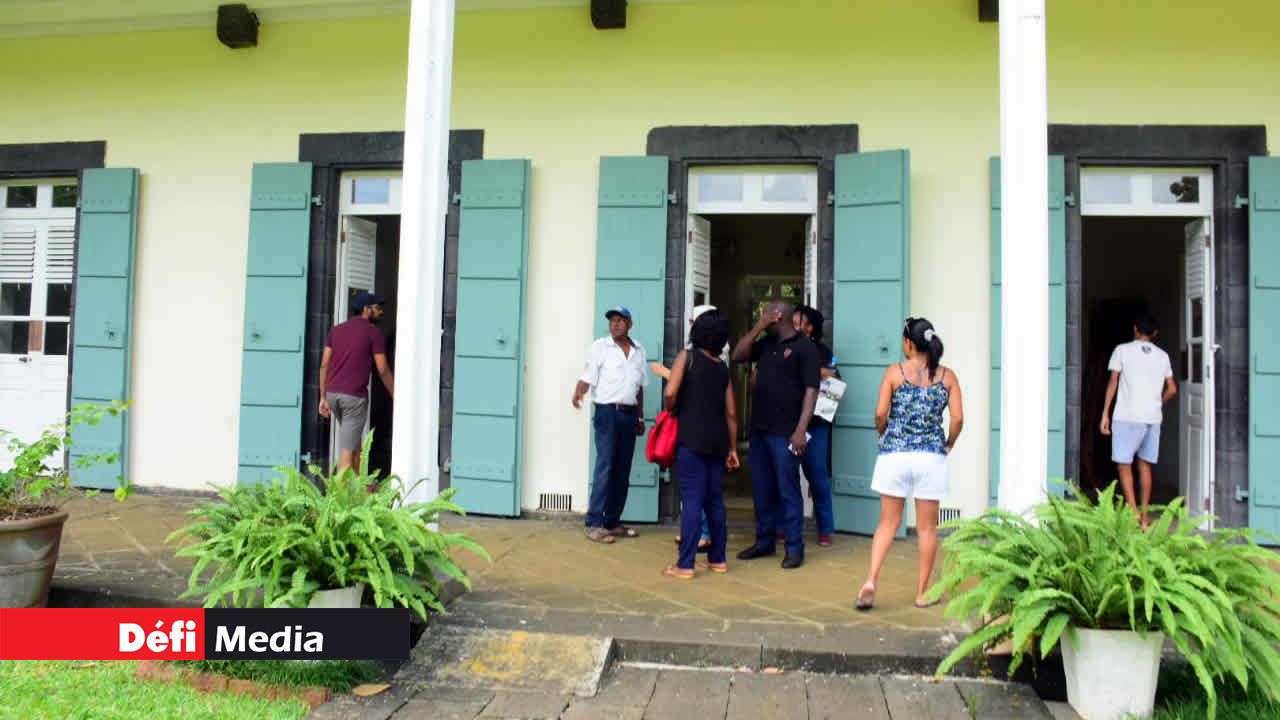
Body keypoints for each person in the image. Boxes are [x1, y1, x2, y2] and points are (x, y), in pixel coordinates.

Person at [855, 317, 963, 611]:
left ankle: (871, 581)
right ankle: (922, 592)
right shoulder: (947, 377)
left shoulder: (894, 373)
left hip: (894, 455)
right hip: (931, 457)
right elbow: (957, 419)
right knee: (927, 529)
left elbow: (880, 414)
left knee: (887, 523)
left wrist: (885, 434)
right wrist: (949, 442)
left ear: (909, 343)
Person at [733, 301, 820, 570]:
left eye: (765, 314)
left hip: (786, 433)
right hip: (759, 430)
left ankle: (794, 548)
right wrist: (758, 327)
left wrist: (800, 431)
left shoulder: (805, 347)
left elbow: (811, 391)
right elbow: (737, 355)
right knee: (761, 489)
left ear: (778, 315)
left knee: (788, 490)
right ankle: (764, 542)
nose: (762, 316)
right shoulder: (766, 344)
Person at [660, 310, 740, 579]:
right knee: (714, 501)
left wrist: (672, 407)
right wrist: (732, 448)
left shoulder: (687, 358)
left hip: (691, 438)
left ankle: (685, 564)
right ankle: (718, 559)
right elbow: (731, 413)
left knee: (692, 501)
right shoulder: (722, 368)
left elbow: (670, 392)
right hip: (717, 441)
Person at [573, 306, 648, 544]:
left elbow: (639, 387)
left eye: (620, 320)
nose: (615, 324)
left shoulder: (639, 350)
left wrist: (639, 417)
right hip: (607, 413)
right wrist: (579, 393)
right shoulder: (600, 347)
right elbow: (588, 376)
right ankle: (594, 523)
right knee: (605, 467)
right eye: (612, 321)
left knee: (622, 470)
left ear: (629, 324)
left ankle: (612, 522)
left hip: (628, 415)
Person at [651, 304, 721, 552]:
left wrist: (666, 375)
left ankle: (696, 541)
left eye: (694, 321)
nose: (691, 325)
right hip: (713, 433)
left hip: (692, 431)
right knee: (708, 494)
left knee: (693, 492)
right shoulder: (717, 359)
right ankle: (713, 550)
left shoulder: (691, 355)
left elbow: (681, 389)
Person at [1100, 313, 1176, 529]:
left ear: (1135, 329)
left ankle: (1133, 514)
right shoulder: (1163, 356)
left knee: (1124, 464)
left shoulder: (1122, 350)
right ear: (1155, 333)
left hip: (1127, 416)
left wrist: (1105, 413)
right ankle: (1144, 517)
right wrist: (1157, 402)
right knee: (1145, 466)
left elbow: (1113, 382)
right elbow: (1172, 389)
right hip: (1152, 417)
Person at [319, 292, 395, 471]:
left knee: (355, 445)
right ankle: (339, 497)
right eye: (377, 308)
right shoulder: (373, 333)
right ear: (366, 310)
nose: (381, 311)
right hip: (353, 398)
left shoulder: (336, 330)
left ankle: (362, 491)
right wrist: (395, 394)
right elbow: (382, 369)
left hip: (332, 395)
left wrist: (323, 397)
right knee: (347, 452)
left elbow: (324, 365)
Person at [793, 304, 838, 546]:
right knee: (786, 475)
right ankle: (787, 527)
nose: (793, 325)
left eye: (798, 321)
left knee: (817, 475)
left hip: (817, 424)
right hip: (789, 421)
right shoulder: (786, 347)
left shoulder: (823, 352)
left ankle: (825, 529)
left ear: (810, 326)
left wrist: (820, 372)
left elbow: (834, 380)